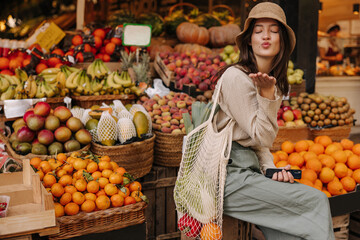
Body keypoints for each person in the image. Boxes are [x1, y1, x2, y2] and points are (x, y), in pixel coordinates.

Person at [211, 2, 335, 239]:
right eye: (258, 30)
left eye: (274, 30)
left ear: (282, 41)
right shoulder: (235, 77)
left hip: (250, 171)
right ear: (249, 40)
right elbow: (262, 134)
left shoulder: (273, 84)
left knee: (288, 233)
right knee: (317, 200)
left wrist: (271, 168)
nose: (265, 36)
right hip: (226, 177)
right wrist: (266, 97)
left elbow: (260, 144)